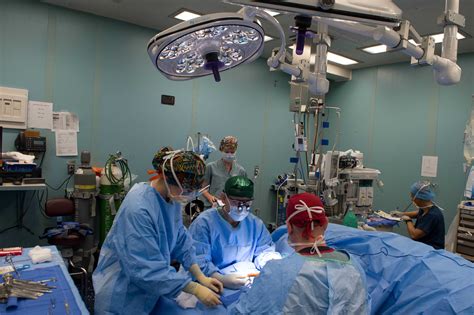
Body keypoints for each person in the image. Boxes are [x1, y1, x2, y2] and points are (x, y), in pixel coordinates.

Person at [93, 148, 224, 315]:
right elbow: (145, 269)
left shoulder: (171, 198)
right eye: (186, 189)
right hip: (122, 295)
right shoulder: (138, 209)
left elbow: (180, 238)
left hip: (148, 292)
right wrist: (194, 289)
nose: (190, 195)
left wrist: (199, 275)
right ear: (167, 178)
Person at [229, 192, 368, 314]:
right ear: (325, 224)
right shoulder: (355, 267)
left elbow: (246, 310)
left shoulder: (277, 272)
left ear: (289, 228)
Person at [189, 176, 281, 290]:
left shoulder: (255, 224)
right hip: (211, 284)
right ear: (223, 198)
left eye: (247, 204)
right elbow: (197, 260)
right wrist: (219, 278)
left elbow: (265, 251)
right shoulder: (204, 223)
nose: (241, 208)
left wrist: (271, 265)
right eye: (236, 202)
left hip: (246, 284)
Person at [393, 181, 445, 249]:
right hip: (423, 246)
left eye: (412, 196)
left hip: (432, 251)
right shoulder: (427, 208)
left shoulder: (432, 215)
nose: (411, 199)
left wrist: (408, 220)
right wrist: (401, 214)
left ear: (419, 197)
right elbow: (417, 213)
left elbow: (414, 235)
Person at [201, 136, 246, 208]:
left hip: (232, 209)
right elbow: (202, 188)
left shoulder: (241, 171)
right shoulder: (211, 167)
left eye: (232, 152)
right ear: (221, 150)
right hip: (213, 207)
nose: (229, 154)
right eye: (227, 152)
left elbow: (243, 193)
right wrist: (210, 197)